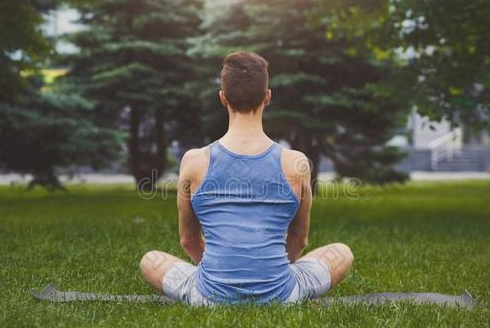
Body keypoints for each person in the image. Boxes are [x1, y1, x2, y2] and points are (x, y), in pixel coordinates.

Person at [140, 51, 354, 306]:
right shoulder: (296, 163)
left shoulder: (194, 161)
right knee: (342, 253)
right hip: (282, 295)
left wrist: (222, 276)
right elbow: (299, 240)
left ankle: (218, 281)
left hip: (208, 296)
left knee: (150, 260)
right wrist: (265, 279)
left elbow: (188, 240)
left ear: (222, 98)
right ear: (267, 96)